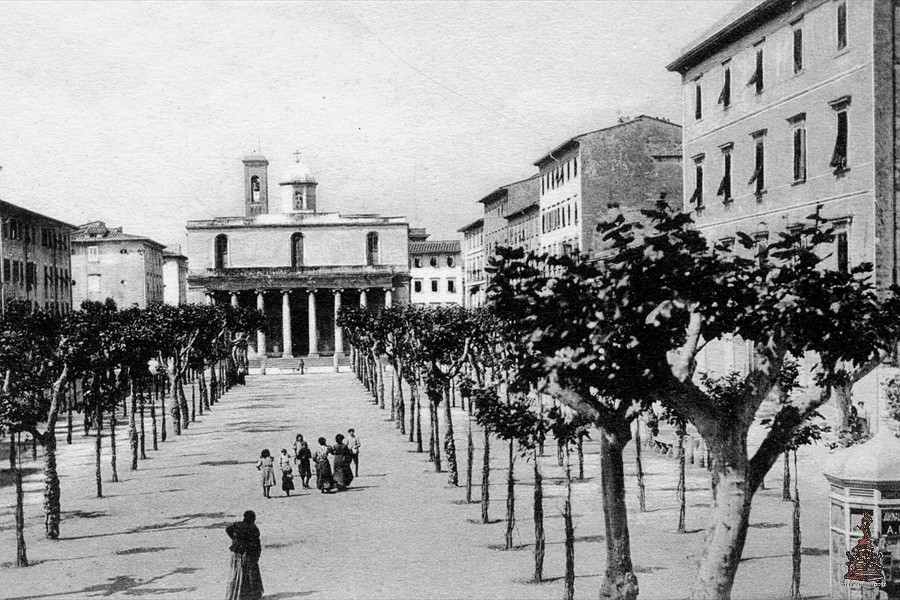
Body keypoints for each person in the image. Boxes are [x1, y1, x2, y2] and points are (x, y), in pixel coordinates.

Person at [225, 510, 263, 600]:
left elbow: (228, 529)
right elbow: (257, 544)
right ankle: (247, 595)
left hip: (236, 552)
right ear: (252, 518)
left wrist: (234, 539)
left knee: (237, 573)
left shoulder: (238, 524)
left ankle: (236, 594)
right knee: (249, 574)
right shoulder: (253, 528)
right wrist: (257, 555)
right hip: (247, 554)